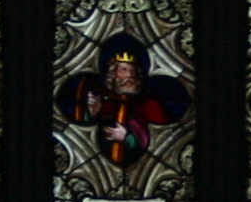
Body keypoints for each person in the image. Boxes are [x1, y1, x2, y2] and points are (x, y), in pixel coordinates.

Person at [55, 35, 186, 170]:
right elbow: (80, 140)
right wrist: (91, 115)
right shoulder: (104, 104)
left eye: (133, 71)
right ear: (113, 74)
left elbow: (163, 144)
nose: (130, 75)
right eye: (124, 70)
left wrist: (127, 138)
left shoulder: (149, 105)